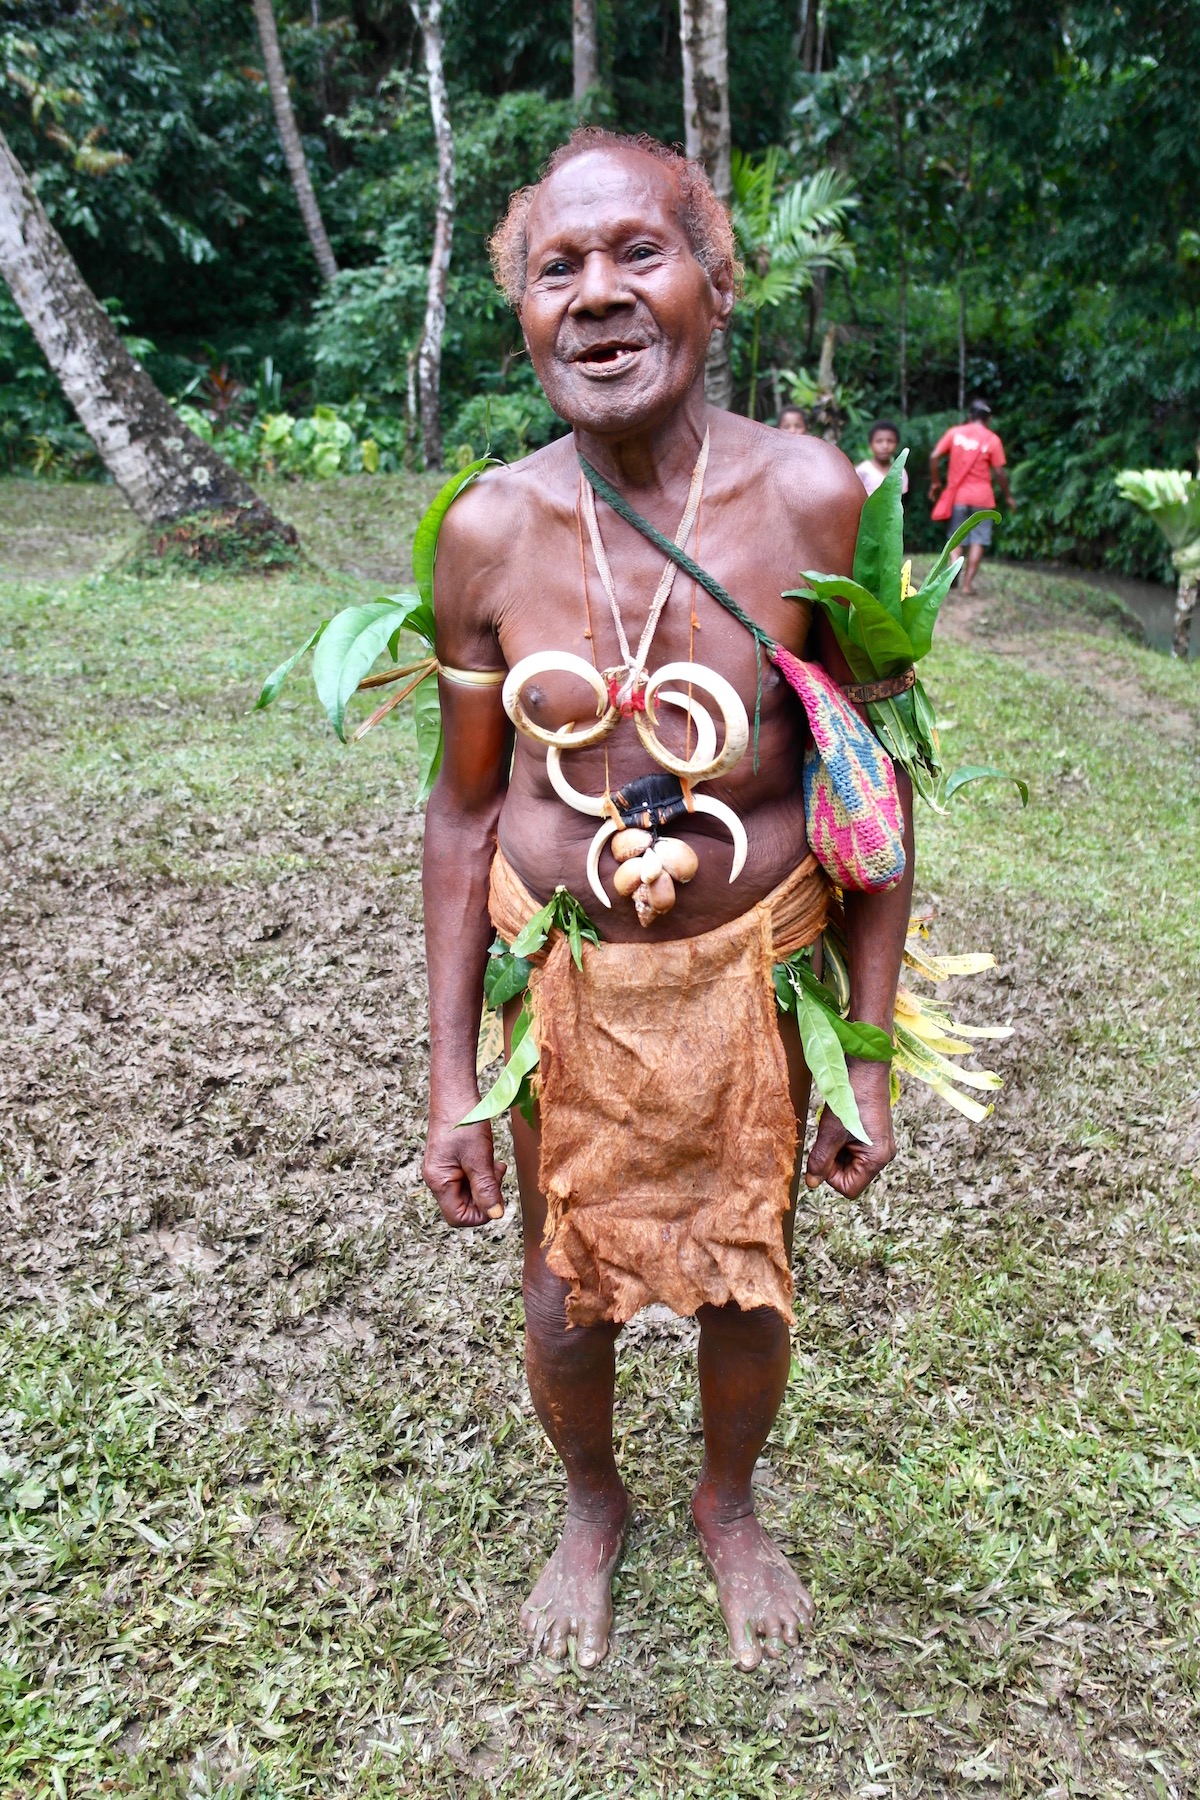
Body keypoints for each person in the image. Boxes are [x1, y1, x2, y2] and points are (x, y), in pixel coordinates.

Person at [421, 128, 914, 1674]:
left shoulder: (815, 503)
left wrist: (875, 1051)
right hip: (560, 988)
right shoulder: (488, 534)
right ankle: (592, 1501)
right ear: (521, 314)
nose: (598, 297)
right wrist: (449, 1075)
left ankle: (725, 1500)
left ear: (715, 279)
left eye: (640, 252)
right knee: (566, 1290)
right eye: (556, 269)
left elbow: (870, 786)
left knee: (744, 1272)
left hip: (752, 981)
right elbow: (460, 806)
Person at [928, 399, 1017, 594]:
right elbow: (1000, 473)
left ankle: (953, 568)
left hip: (959, 497)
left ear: (970, 416)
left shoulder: (954, 433)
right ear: (989, 419)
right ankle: (967, 585)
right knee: (979, 539)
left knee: (955, 538)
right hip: (983, 499)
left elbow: (934, 456)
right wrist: (1008, 496)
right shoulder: (992, 439)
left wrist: (935, 483)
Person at [855, 419, 909, 498]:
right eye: (879, 441)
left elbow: (901, 500)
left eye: (890, 441)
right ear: (870, 445)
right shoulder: (862, 470)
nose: (885, 446)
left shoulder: (900, 472)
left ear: (897, 444)